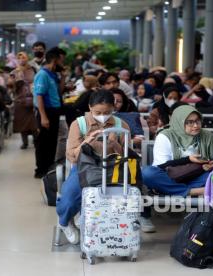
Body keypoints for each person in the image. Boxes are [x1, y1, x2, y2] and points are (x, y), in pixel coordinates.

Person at [56, 90, 130, 244]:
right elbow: (71, 156)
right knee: (69, 199)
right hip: (84, 167)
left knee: (119, 197)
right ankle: (64, 222)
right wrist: (87, 141)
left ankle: (109, 230)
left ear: (113, 108)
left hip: (112, 168)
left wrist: (114, 144)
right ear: (90, 107)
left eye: (107, 112)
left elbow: (127, 156)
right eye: (98, 112)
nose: (103, 116)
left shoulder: (120, 125)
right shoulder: (79, 124)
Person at [142, 105, 213, 198]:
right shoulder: (165, 136)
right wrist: (188, 159)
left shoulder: (207, 136)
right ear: (179, 122)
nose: (195, 125)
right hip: (171, 178)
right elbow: (161, 167)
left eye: (197, 121)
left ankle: (169, 190)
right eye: (190, 122)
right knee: (148, 173)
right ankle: (193, 191)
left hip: (197, 176)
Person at [33, 48, 64, 178]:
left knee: (52, 141)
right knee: (43, 142)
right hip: (46, 111)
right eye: (62, 59)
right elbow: (39, 96)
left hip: (55, 111)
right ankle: (40, 169)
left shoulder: (53, 74)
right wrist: (43, 117)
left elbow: (59, 92)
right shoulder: (42, 75)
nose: (63, 62)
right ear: (55, 60)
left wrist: (64, 77)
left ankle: (49, 167)